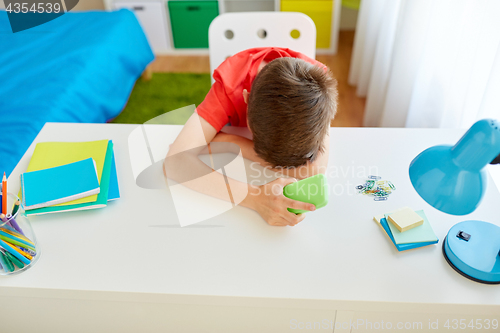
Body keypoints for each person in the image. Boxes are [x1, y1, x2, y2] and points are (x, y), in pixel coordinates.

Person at [164, 47, 338, 227]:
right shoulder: (229, 87)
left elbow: (314, 170)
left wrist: (229, 142)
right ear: (245, 98)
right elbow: (174, 163)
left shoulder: (318, 93)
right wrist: (254, 198)